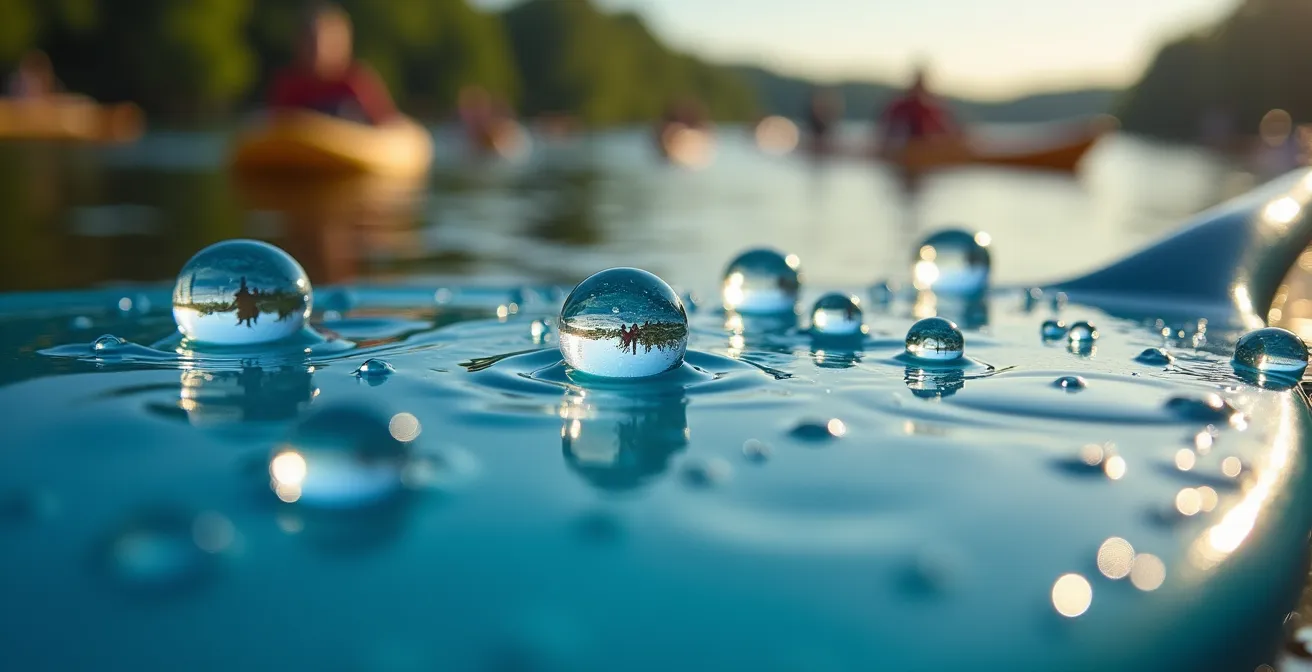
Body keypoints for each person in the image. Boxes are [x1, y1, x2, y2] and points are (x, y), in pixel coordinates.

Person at [269, 3, 396, 125]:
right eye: (310, 41)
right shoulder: (290, 85)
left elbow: (390, 125)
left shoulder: (356, 83)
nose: (317, 49)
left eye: (325, 42)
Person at [876, 66, 957, 153]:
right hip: (905, 146)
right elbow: (888, 129)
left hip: (928, 148)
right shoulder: (901, 105)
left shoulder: (932, 107)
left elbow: (946, 129)